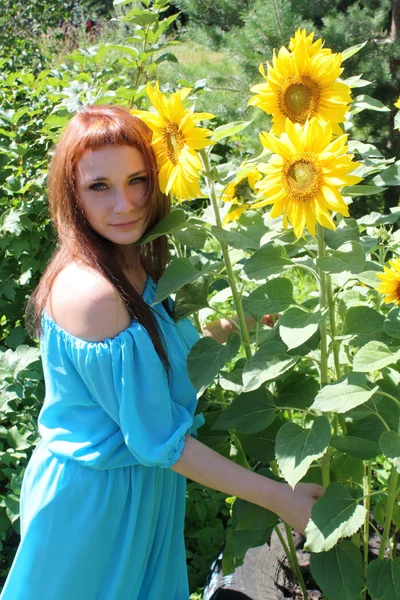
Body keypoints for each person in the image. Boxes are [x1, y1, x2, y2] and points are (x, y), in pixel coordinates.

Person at [0, 104, 324, 600]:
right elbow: (158, 440)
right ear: (73, 195)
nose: (125, 204)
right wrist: (282, 499)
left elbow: (168, 357)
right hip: (94, 503)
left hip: (137, 491)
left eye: (138, 180)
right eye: (99, 186)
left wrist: (234, 324)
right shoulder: (91, 292)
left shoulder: (131, 263)